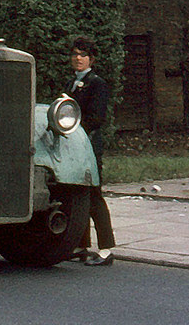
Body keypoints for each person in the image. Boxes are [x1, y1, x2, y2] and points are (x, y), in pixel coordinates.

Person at [67, 36, 116, 266]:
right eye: (75, 54)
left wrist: (73, 128)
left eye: (83, 55)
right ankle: (81, 245)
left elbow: (97, 118)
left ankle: (106, 249)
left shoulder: (97, 83)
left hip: (89, 146)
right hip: (73, 147)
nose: (78, 58)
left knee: (94, 196)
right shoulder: (72, 83)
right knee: (78, 194)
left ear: (91, 59)